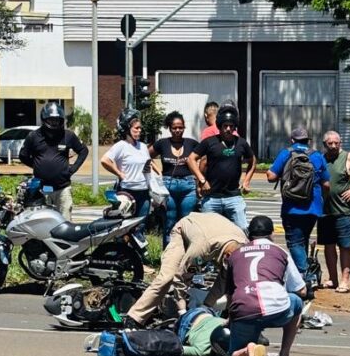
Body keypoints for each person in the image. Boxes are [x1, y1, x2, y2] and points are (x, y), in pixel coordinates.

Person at [124, 212, 247, 327]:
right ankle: (134, 317)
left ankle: (237, 321)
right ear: (227, 256)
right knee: (167, 277)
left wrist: (205, 307)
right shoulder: (201, 248)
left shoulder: (245, 246)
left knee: (234, 282)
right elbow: (180, 276)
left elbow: (225, 281)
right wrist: (182, 311)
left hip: (214, 232)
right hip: (185, 230)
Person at [226, 215, 306, 356]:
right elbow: (301, 290)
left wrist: (231, 318)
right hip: (276, 309)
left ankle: (249, 350)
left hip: (244, 309)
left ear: (249, 234)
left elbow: (230, 294)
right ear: (271, 235)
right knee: (297, 302)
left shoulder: (235, 254)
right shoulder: (280, 252)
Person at [266, 127, 330, 285]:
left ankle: (306, 275)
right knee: (303, 240)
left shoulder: (286, 153)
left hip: (292, 207)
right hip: (313, 207)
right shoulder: (316, 156)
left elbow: (271, 176)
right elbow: (327, 183)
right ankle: (303, 274)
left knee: (294, 242)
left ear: (292, 140)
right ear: (308, 140)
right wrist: (322, 199)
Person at [188, 102, 256, 230]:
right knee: (210, 233)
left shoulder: (241, 143)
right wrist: (202, 181)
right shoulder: (209, 142)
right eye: (225, 126)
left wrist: (246, 181)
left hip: (234, 197)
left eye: (231, 126)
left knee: (242, 230)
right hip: (212, 198)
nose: (228, 129)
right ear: (219, 126)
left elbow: (252, 160)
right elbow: (191, 159)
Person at [318, 130, 350, 292]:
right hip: (325, 211)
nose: (333, 146)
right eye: (330, 143)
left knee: (344, 245)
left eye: (336, 143)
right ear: (325, 144)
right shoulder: (321, 158)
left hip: (342, 210)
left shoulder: (347, 157)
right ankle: (333, 279)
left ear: (340, 143)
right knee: (328, 245)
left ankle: (344, 281)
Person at [19, 101, 89, 221]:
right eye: (51, 120)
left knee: (65, 222)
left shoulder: (68, 135)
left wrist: (73, 169)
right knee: (43, 223)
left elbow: (83, 150)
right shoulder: (33, 136)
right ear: (44, 119)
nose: (54, 123)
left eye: (57, 120)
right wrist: (36, 165)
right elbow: (23, 156)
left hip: (63, 188)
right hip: (41, 189)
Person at [101, 108, 153, 242]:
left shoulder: (142, 146)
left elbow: (148, 165)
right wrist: (119, 173)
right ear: (127, 128)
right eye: (136, 128)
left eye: (140, 128)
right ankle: (119, 255)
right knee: (122, 228)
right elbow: (105, 160)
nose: (139, 131)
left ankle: (136, 259)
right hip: (126, 192)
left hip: (143, 192)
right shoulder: (121, 146)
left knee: (140, 228)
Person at [150, 111, 198, 247]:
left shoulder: (192, 143)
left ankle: (187, 258)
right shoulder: (162, 143)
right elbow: (146, 156)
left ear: (184, 127)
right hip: (167, 187)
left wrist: (199, 174)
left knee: (186, 223)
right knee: (169, 222)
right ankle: (168, 257)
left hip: (188, 186)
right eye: (174, 128)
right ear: (169, 128)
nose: (178, 130)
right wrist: (157, 170)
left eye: (180, 127)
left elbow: (204, 157)